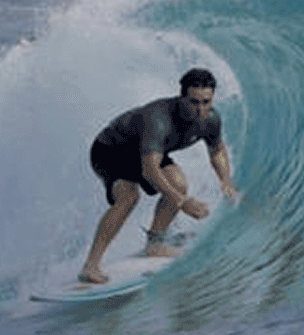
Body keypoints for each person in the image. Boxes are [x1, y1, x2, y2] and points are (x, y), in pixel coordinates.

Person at [79, 68, 239, 284]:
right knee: (128, 196)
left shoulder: (210, 119)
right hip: (111, 150)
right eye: (193, 102)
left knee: (178, 182)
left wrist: (226, 182)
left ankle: (155, 244)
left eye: (206, 102)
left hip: (145, 154)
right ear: (181, 97)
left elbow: (217, 150)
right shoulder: (158, 118)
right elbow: (150, 171)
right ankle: (90, 266)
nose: (200, 109)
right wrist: (184, 203)